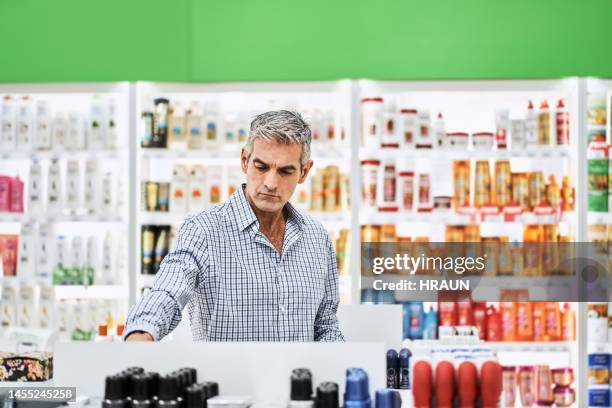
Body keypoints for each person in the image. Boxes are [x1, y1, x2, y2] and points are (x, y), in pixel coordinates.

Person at [125, 110, 344, 342]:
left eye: (285, 171)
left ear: (304, 172)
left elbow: (325, 325)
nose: (271, 183)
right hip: (226, 378)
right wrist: (142, 332)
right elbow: (168, 291)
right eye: (261, 167)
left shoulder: (316, 237)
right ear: (244, 161)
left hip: (299, 378)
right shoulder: (203, 230)